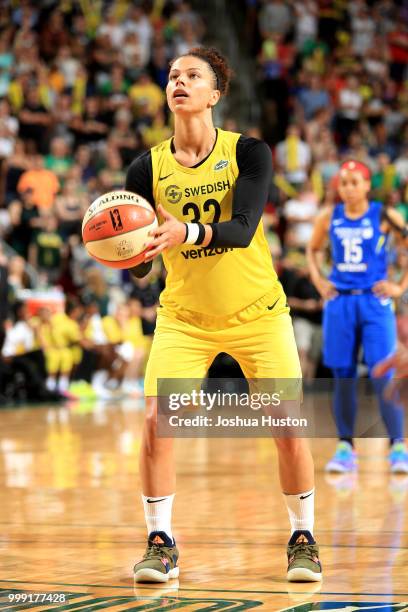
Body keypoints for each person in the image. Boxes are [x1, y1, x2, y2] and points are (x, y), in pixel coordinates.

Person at [125, 47, 322, 584]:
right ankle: (160, 542)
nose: (178, 82)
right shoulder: (145, 167)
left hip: (258, 313)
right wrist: (128, 248)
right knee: (155, 424)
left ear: (215, 94)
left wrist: (182, 232)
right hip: (185, 318)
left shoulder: (250, 153)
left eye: (192, 76)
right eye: (171, 76)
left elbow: (240, 228)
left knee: (286, 427)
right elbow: (142, 272)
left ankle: (303, 537)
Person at [307, 160, 408, 474]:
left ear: (367, 185)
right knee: (343, 376)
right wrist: (320, 282)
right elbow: (312, 251)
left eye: (354, 182)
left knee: (383, 373)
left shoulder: (383, 214)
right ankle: (345, 447)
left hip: (375, 302)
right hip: (340, 303)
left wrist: (399, 286)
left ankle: (398, 447)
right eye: (343, 183)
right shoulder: (329, 217)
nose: (348, 188)